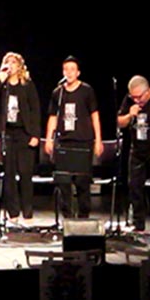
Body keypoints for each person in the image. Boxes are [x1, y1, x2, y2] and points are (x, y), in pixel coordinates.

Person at [44, 56, 103, 220]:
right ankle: (68, 218)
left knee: (83, 182)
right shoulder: (58, 93)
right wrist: (49, 138)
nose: (69, 72)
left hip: (83, 143)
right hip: (64, 143)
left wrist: (98, 139)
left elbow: (94, 115)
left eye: (72, 69)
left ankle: (84, 217)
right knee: (63, 182)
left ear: (78, 73)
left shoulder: (86, 91)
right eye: (66, 69)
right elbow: (53, 117)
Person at [0, 52, 41, 226]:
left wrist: (35, 134)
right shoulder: (3, 86)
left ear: (20, 67)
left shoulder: (27, 85)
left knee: (25, 174)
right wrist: (0, 79)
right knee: (9, 175)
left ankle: (28, 214)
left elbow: (35, 110)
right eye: (7, 62)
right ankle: (13, 214)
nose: (10, 65)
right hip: (8, 134)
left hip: (24, 134)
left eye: (14, 63)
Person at [117, 75, 150, 233]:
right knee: (135, 187)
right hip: (137, 150)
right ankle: (138, 224)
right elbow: (119, 122)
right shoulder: (130, 101)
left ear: (148, 91)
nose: (137, 100)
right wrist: (130, 115)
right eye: (133, 97)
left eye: (139, 97)